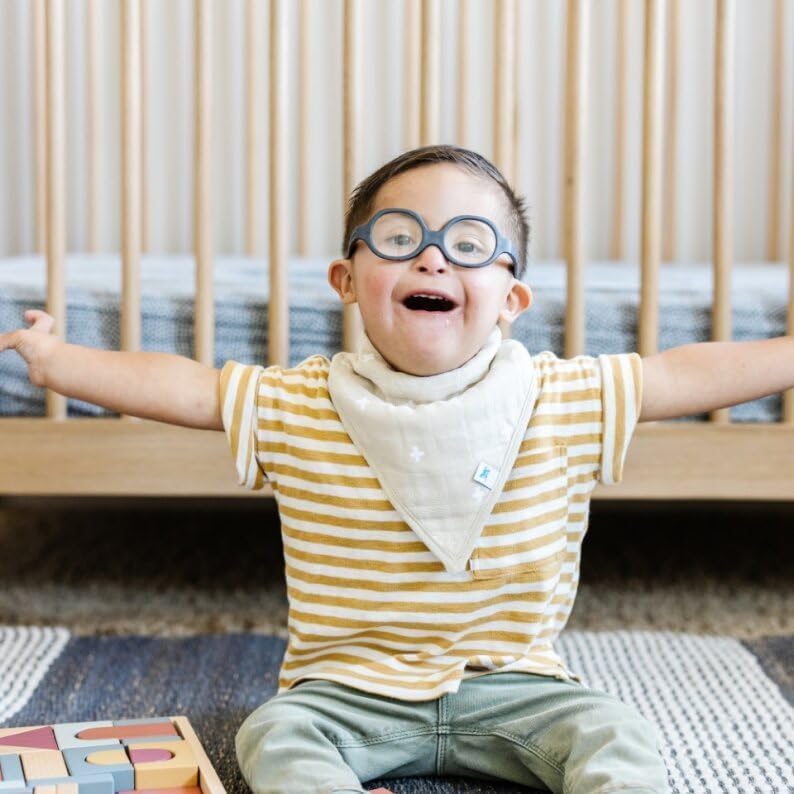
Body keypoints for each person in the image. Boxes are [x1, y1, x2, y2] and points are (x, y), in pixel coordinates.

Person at [2, 145, 793, 794]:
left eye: (470, 245)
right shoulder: (302, 402)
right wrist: (62, 362)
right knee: (270, 734)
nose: (434, 258)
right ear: (347, 281)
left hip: (518, 684)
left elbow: (690, 373)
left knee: (617, 735)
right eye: (398, 237)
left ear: (511, 297)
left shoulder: (564, 396)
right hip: (347, 694)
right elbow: (183, 387)